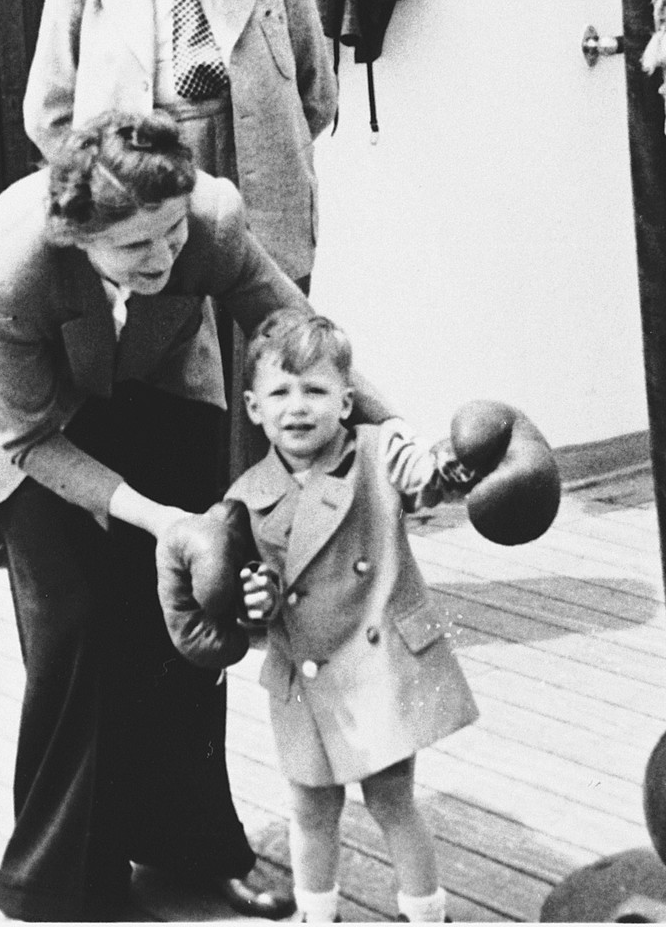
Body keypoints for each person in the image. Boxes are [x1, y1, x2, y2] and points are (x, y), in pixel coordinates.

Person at [0, 112, 397, 922]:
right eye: (137, 246)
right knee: (76, 625)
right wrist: (159, 519)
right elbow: (34, 436)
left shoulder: (206, 220)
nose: (165, 256)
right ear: (80, 237)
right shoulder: (12, 271)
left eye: (172, 235)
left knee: (194, 618)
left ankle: (192, 846)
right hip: (17, 418)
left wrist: (395, 436)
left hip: (151, 371)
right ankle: (62, 879)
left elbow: (296, 335)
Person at [23, 0, 337, 475]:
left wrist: (260, 154)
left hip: (258, 183)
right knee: (169, 378)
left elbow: (315, 94)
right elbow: (49, 115)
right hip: (145, 195)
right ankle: (190, 541)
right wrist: (112, 200)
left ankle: (276, 537)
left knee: (274, 361)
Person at [229, 309, 481, 924]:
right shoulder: (245, 496)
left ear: (346, 403)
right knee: (310, 809)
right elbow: (246, 598)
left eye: (315, 390)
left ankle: (427, 915)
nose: (298, 407)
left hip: (379, 667)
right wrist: (252, 605)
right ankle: (320, 917)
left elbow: (428, 486)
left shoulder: (375, 457)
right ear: (254, 407)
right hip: (303, 681)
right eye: (280, 392)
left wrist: (433, 463)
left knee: (394, 801)